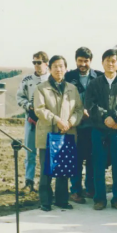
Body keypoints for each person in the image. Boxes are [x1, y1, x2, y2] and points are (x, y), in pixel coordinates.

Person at [85, 49, 117, 210]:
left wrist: (116, 119)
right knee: (98, 165)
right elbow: (90, 104)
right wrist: (106, 118)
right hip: (99, 130)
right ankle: (99, 199)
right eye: (107, 61)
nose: (110, 64)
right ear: (102, 63)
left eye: (113, 61)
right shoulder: (94, 84)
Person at [34, 55, 84, 211]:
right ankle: (45, 201)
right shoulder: (41, 88)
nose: (58, 69)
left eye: (61, 66)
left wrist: (71, 122)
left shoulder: (72, 89)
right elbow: (39, 110)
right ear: (50, 69)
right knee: (46, 170)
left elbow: (79, 110)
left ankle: (62, 200)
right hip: (48, 134)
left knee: (64, 168)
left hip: (66, 133)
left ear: (66, 68)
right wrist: (56, 120)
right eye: (55, 66)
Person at [65, 47, 102, 204]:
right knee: (76, 160)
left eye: (86, 61)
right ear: (76, 60)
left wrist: (92, 111)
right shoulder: (69, 76)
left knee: (92, 159)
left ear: (90, 61)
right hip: (75, 125)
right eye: (80, 61)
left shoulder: (98, 76)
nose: (83, 64)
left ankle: (90, 189)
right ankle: (75, 191)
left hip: (93, 125)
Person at [16, 51, 50, 192]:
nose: (36, 65)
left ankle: (45, 183)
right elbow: (19, 97)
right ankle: (29, 181)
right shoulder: (27, 80)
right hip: (31, 120)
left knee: (46, 153)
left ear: (46, 63)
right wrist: (29, 106)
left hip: (47, 121)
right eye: (34, 62)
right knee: (30, 151)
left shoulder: (51, 79)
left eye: (39, 62)